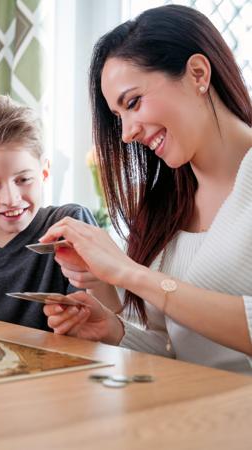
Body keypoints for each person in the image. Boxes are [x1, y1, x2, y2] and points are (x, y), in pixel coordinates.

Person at [41, 5, 252, 373]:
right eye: (118, 116)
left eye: (133, 102)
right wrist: (114, 329)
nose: (126, 134)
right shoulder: (163, 207)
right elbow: (176, 350)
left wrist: (128, 272)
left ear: (198, 74)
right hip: (193, 415)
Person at [0, 95, 120, 331]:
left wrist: (98, 288)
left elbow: (104, 319)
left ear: (44, 172)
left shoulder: (69, 225)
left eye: (24, 179)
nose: (11, 199)